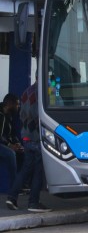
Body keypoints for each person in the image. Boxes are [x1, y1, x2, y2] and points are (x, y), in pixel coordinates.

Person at [6, 82, 51, 212]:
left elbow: (21, 115)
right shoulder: (42, 92)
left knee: (26, 169)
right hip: (37, 137)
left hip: (26, 136)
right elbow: (38, 113)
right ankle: (33, 203)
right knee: (38, 171)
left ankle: (12, 197)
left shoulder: (26, 92)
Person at [0, 94, 22, 191]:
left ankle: (22, 183)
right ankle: (14, 187)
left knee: (23, 152)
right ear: (9, 104)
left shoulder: (9, 116)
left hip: (3, 143)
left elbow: (12, 134)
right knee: (11, 154)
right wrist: (9, 145)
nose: (18, 107)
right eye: (17, 104)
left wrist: (17, 143)